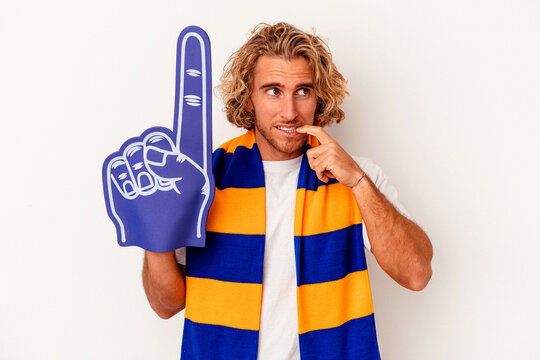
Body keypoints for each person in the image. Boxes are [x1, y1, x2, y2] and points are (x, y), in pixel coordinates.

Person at [142, 22, 433, 360]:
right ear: (248, 98)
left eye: (303, 90)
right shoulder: (204, 180)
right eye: (273, 90)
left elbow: (416, 274)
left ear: (318, 97)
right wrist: (154, 233)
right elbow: (167, 305)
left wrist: (357, 181)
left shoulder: (357, 177)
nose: (290, 111)